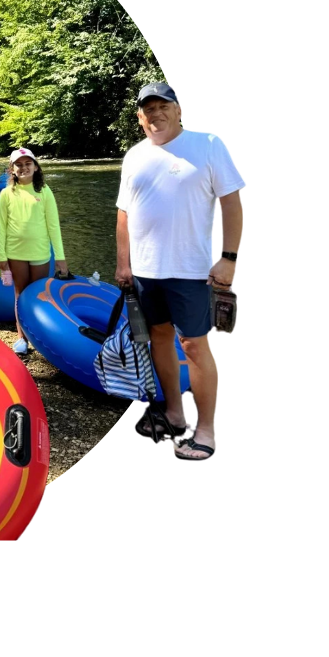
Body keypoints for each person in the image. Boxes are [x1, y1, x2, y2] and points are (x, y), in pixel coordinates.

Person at [115, 81, 246, 463]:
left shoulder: (206, 146)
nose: (155, 114)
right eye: (147, 109)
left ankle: (206, 431)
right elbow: (124, 213)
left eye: (162, 106)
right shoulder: (134, 156)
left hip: (191, 270)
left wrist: (230, 256)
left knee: (193, 345)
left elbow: (231, 201)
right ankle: (174, 412)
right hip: (144, 270)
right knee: (158, 337)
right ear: (140, 118)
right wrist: (123, 263)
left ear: (177, 110)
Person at [0, 147, 72, 355]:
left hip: (40, 253)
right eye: (18, 165)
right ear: (12, 170)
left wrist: (61, 258)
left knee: (37, 294)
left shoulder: (45, 191)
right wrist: (0, 255)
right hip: (16, 252)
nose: (24, 168)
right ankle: (21, 336)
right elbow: (1, 226)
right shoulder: (6, 193)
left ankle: (37, 335)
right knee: (20, 294)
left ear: (36, 167)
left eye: (28, 163)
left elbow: (53, 226)